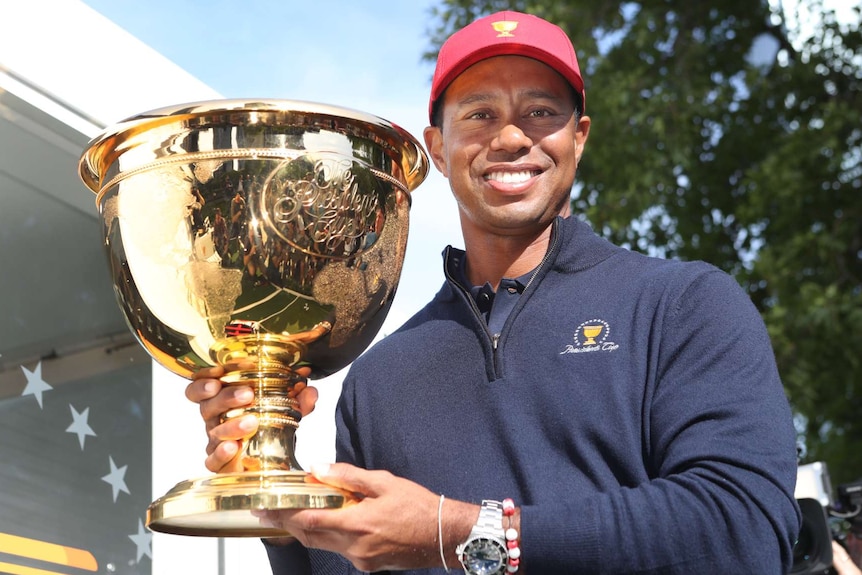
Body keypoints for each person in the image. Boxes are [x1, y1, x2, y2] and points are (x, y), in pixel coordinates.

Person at [187, 10, 801, 574]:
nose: (510, 138)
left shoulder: (684, 305)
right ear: (437, 149)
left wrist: (459, 533)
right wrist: (276, 494)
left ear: (579, 137)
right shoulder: (380, 376)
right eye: (480, 114)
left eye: (540, 111)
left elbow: (744, 528)